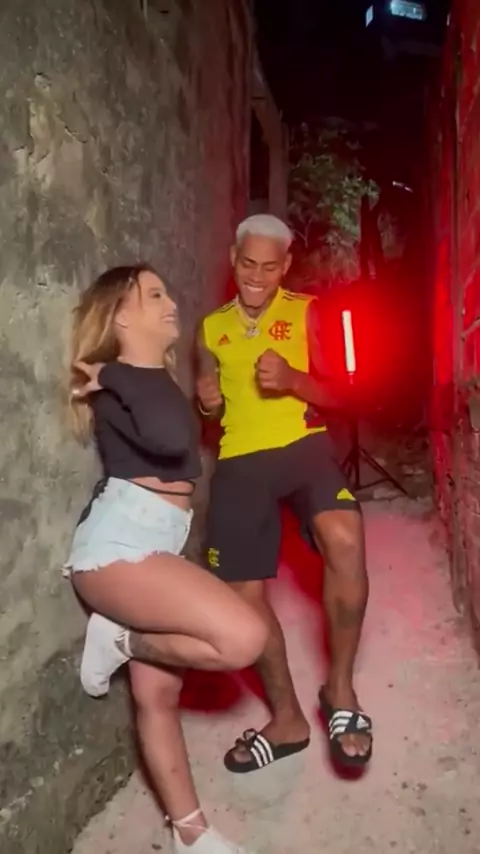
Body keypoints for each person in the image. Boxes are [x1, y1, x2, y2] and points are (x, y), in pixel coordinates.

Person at [64, 264, 268, 854]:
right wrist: (113, 373)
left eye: (167, 291)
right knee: (243, 637)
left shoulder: (145, 382)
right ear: (121, 317)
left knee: (158, 697)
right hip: (118, 547)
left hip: (155, 541)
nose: (171, 301)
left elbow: (176, 438)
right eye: (153, 294)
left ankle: (191, 835)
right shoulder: (123, 381)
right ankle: (119, 639)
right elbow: (174, 441)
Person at [196, 214, 372, 774]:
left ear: (286, 265)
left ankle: (339, 691)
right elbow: (210, 412)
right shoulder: (210, 329)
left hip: (303, 446)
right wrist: (206, 403)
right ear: (233, 258)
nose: (257, 276)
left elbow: (343, 396)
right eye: (248, 263)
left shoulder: (304, 311)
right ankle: (288, 720)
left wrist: (295, 379)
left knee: (346, 538)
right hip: (240, 460)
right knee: (242, 595)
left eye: (270, 267)